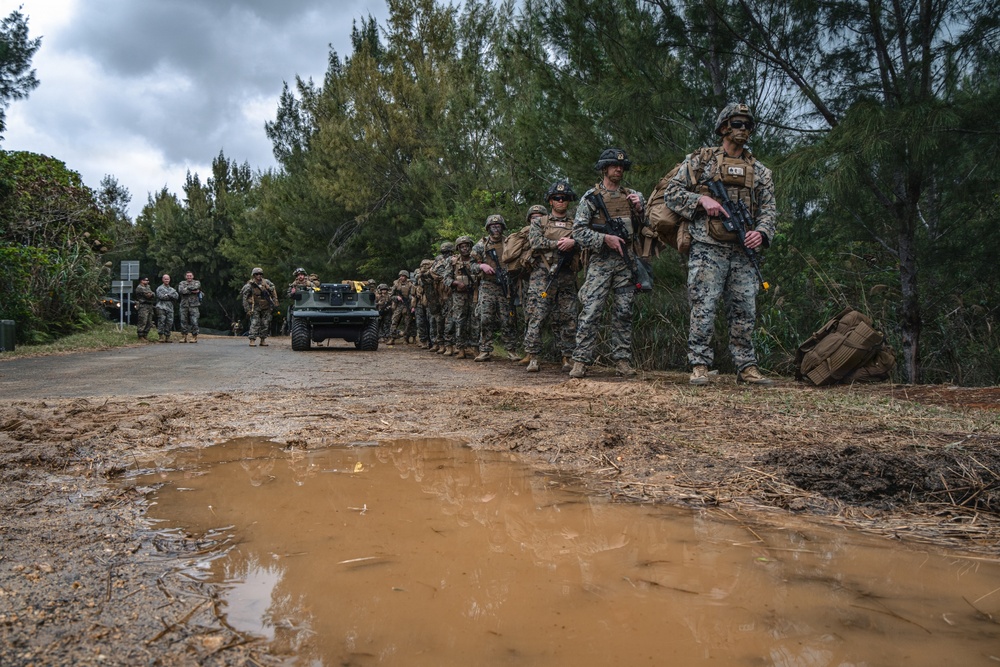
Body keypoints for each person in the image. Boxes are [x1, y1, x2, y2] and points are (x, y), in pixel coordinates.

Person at [663, 102, 777, 386]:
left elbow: (769, 209)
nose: (744, 130)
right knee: (703, 305)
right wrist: (701, 200)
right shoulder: (700, 161)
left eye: (748, 125)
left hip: (742, 249)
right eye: (738, 124)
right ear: (724, 126)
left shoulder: (760, 171)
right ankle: (700, 364)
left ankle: (746, 367)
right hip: (707, 245)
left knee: (745, 309)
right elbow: (671, 193)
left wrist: (761, 233)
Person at [568, 148, 646, 378]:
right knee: (591, 311)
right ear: (604, 168)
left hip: (626, 261)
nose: (618, 169)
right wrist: (605, 239)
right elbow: (578, 232)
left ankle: (622, 361)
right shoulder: (591, 198)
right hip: (600, 262)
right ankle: (581, 360)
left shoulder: (633, 197)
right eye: (614, 165)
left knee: (624, 312)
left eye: (621, 166)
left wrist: (641, 210)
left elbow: (648, 227)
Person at [523, 183, 579, 372]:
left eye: (564, 198)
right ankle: (533, 357)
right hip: (542, 275)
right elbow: (535, 242)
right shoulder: (540, 222)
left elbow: (584, 241)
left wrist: (574, 243)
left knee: (568, 318)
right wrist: (560, 244)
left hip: (566, 275)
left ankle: (567, 358)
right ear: (550, 200)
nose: (561, 201)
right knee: (537, 316)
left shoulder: (576, 223)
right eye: (557, 198)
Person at [471, 215, 520, 362]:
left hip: (506, 287)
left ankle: (511, 350)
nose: (496, 229)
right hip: (488, 285)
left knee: (508, 319)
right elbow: (471, 265)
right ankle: (485, 350)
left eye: (498, 226)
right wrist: (482, 266)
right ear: (488, 228)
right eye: (493, 226)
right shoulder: (481, 245)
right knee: (485, 318)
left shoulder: (509, 243)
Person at [443, 235, 478, 358]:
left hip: (474, 294)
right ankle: (461, 348)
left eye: (467, 246)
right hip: (459, 295)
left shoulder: (476, 260)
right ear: (458, 248)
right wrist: (456, 283)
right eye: (462, 246)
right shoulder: (453, 262)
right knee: (460, 321)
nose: (465, 249)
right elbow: (446, 279)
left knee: (475, 321)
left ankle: (475, 347)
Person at [240, 267, 278, 347]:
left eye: (260, 274)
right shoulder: (250, 285)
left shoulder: (266, 282)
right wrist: (247, 309)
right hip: (255, 306)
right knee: (255, 323)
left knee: (265, 323)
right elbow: (245, 298)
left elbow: (273, 291)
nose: (259, 276)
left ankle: (263, 339)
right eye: (256, 274)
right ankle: (252, 340)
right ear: (253, 275)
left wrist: (274, 302)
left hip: (266, 305)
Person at [430, 241, 454, 353]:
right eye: (444, 252)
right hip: (439, 294)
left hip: (452, 293)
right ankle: (441, 343)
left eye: (448, 252)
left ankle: (453, 345)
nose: (446, 255)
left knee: (452, 320)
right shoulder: (438, 262)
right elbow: (432, 273)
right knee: (439, 320)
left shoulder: (455, 260)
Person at [388, 270, 416, 345]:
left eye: (403, 276)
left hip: (407, 306)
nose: (401, 277)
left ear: (406, 277)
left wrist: (413, 306)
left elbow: (413, 296)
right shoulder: (396, 284)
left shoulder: (410, 285)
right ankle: (392, 338)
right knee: (394, 321)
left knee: (407, 323)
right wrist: (396, 297)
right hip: (398, 305)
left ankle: (405, 338)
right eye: (400, 276)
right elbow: (391, 296)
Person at [413, 259, 435, 348]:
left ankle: (433, 342)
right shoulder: (419, 274)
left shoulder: (432, 272)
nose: (424, 267)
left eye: (426, 265)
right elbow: (417, 279)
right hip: (419, 301)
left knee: (431, 322)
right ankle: (424, 341)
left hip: (429, 300)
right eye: (423, 265)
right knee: (420, 322)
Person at [177, 271, 202, 343]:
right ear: (185, 277)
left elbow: (196, 287)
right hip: (184, 305)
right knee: (183, 321)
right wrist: (192, 291)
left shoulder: (196, 282)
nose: (189, 277)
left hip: (194, 305)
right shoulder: (182, 283)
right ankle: (184, 336)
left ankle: (194, 336)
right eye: (187, 276)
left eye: (190, 276)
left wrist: (187, 289)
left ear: (193, 276)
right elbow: (181, 291)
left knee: (194, 321)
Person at [155, 274, 179, 343]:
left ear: (169, 280)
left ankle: (167, 336)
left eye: (167, 279)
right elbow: (161, 296)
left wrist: (168, 295)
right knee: (161, 321)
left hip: (170, 307)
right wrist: (170, 295)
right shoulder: (160, 288)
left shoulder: (172, 289)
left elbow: (176, 296)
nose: (166, 280)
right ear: (163, 280)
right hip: (161, 307)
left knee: (169, 322)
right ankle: (161, 336)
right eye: (165, 279)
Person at [133, 277, 156, 341]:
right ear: (141, 281)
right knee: (143, 320)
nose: (147, 281)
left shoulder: (148, 287)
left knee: (149, 321)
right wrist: (151, 294)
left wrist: (151, 294)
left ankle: (145, 335)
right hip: (143, 306)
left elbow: (153, 294)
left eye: (148, 280)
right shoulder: (139, 288)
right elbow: (148, 295)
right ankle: (140, 335)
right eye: (145, 280)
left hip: (149, 305)